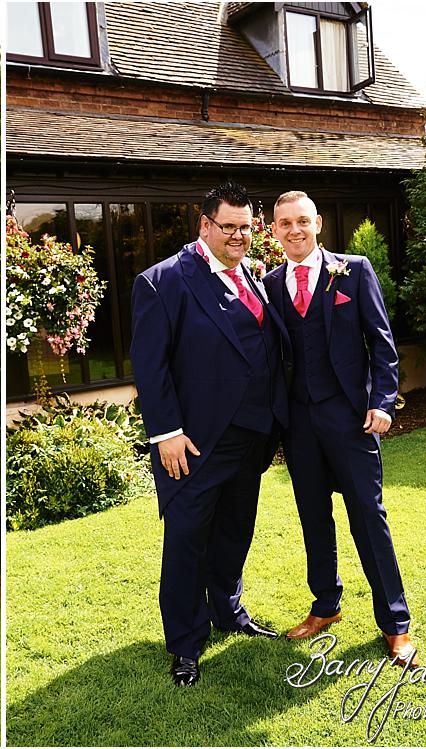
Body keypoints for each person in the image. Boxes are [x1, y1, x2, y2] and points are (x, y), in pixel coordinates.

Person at [130, 180, 289, 686]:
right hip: (193, 443)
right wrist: (167, 432)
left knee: (235, 531)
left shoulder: (255, 277)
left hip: (251, 437)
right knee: (186, 543)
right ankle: (185, 642)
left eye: (246, 228)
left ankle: (228, 611)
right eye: (229, 228)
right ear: (205, 225)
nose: (239, 237)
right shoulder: (163, 282)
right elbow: (150, 366)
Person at [264, 191, 416, 667]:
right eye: (285, 223)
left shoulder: (354, 269)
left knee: (369, 519)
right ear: (274, 230)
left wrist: (383, 403)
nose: (294, 230)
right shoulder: (269, 283)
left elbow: (382, 344)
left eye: (302, 222)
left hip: (351, 419)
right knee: (313, 517)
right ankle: (325, 606)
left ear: (319, 223)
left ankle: (396, 624)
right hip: (300, 424)